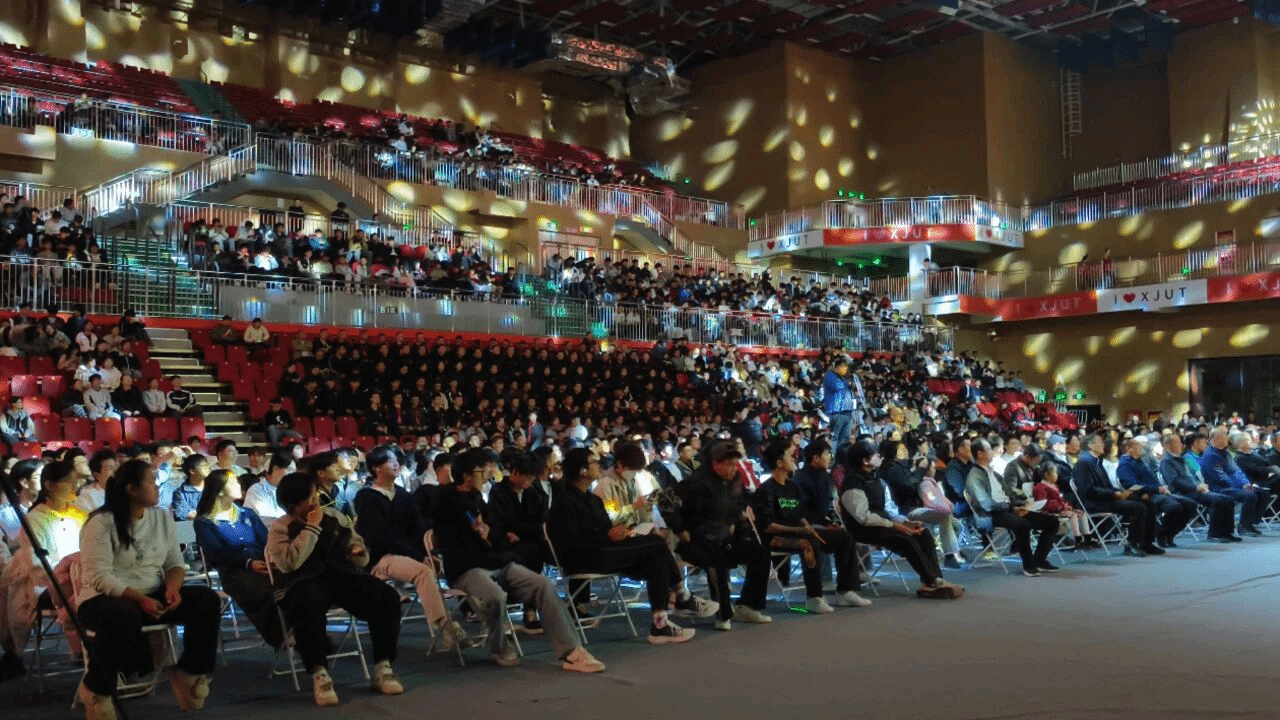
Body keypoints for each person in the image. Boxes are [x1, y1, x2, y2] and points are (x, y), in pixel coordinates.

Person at [432, 447, 606, 672]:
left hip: (495, 562)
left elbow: (493, 532)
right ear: (466, 476)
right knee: (494, 596)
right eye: (483, 470)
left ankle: (572, 651)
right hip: (467, 569)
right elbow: (460, 538)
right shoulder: (446, 501)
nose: (488, 474)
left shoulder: (478, 500)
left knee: (542, 584)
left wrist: (491, 535)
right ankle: (499, 646)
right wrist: (483, 532)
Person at [77, 459, 221, 719]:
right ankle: (97, 689)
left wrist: (172, 589)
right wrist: (140, 599)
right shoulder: (101, 522)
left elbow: (174, 564)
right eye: (151, 481)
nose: (157, 486)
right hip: (103, 599)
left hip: (151, 594)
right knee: (123, 614)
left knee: (206, 599)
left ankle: (189, 671)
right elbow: (100, 577)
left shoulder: (161, 517)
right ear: (131, 489)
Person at [266, 472, 404, 706]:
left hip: (340, 575)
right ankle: (319, 673)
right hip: (301, 580)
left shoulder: (334, 517)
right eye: (310, 497)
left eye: (315, 494)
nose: (316, 500)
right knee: (307, 602)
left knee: (386, 597)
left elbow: (357, 546)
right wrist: (311, 527)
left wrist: (357, 553)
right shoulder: (280, 528)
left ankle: (383, 666)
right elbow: (289, 563)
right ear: (294, 505)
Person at [548, 447, 707, 644]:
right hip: (590, 555)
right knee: (657, 545)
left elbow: (606, 522)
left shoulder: (599, 495)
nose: (598, 465)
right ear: (582, 470)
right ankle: (682, 596)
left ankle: (661, 623)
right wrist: (631, 511)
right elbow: (607, 519)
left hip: (611, 543)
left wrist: (633, 520)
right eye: (593, 462)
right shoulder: (597, 490)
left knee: (656, 559)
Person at [353, 446, 462, 650]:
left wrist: (426, 554)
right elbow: (382, 537)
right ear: (376, 467)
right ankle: (446, 627)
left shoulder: (402, 494)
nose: (396, 463)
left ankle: (467, 620)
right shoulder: (367, 497)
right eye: (389, 460)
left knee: (447, 563)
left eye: (396, 459)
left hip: (408, 555)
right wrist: (418, 557)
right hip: (381, 557)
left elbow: (418, 529)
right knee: (423, 571)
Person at [665, 440, 773, 630]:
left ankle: (747, 606)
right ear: (715, 462)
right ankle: (723, 613)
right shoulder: (696, 482)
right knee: (717, 559)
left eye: (735, 463)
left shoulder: (735, 479)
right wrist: (680, 530)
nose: (734, 468)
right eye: (729, 464)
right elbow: (664, 500)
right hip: (697, 542)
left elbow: (740, 501)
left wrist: (742, 513)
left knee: (761, 552)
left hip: (725, 538)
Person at [752, 438, 867, 613]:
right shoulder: (765, 490)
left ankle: (846, 591)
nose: (794, 459)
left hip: (799, 532)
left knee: (844, 537)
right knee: (809, 542)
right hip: (775, 538)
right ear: (779, 463)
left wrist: (810, 527)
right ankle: (814, 597)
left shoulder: (792, 487)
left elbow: (799, 515)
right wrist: (801, 530)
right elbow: (768, 526)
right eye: (790, 456)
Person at [839, 439, 963, 598]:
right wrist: (894, 525)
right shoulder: (853, 483)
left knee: (923, 534)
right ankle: (932, 581)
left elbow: (889, 508)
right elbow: (863, 517)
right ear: (865, 461)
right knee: (906, 539)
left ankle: (934, 580)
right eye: (875, 454)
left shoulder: (877, 480)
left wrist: (905, 522)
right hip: (864, 529)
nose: (879, 456)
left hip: (883, 525)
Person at [0, 459, 85, 677]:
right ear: (50, 485)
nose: (75, 487)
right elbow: (37, 567)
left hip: (80, 577)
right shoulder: (35, 519)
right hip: (49, 584)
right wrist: (66, 575)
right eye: (69, 482)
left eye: (76, 482)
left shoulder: (80, 514)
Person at [192, 469, 283, 648]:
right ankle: (280, 636)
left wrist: (269, 560)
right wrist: (248, 563)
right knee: (259, 587)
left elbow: (265, 540)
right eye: (233, 483)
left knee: (292, 583)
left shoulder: (247, 514)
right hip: (234, 571)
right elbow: (217, 553)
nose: (239, 485)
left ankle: (297, 629)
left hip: (263, 563)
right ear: (219, 491)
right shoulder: (204, 522)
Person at [966, 438, 1062, 576]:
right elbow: (985, 504)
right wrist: (1011, 508)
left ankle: (1039, 560)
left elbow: (1009, 493)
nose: (993, 452)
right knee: (1023, 524)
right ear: (980, 454)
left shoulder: (993, 472)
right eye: (989, 449)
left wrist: (1022, 505)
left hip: (1007, 508)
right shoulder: (974, 476)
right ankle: (1028, 565)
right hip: (990, 514)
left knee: (1052, 522)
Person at [879, 438, 964, 569]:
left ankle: (950, 551)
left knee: (951, 520)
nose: (905, 452)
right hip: (905, 510)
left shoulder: (899, 467)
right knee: (943, 516)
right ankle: (950, 555)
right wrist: (920, 469)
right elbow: (908, 486)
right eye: (901, 450)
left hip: (913, 507)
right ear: (893, 452)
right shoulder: (893, 469)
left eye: (905, 449)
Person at [1072, 431, 1156, 556]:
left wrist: (1120, 492)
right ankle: (1132, 544)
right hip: (1094, 502)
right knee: (1139, 507)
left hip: (1105, 498)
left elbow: (1106, 486)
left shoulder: (1095, 461)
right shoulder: (1083, 463)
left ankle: (1147, 543)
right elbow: (1087, 489)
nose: (1103, 445)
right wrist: (1114, 494)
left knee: (1148, 503)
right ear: (1090, 445)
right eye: (1100, 442)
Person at [1115, 437, 1193, 548]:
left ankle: (1170, 534)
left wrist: (1161, 488)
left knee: (1190, 504)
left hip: (1155, 492)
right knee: (1174, 506)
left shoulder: (1139, 462)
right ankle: (1162, 534)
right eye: (1138, 446)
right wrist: (1156, 489)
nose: (1142, 448)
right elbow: (1131, 484)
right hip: (1143, 495)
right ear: (1128, 449)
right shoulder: (1125, 464)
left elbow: (1152, 480)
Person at [1161, 434, 1238, 543]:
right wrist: (1196, 487)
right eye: (1177, 443)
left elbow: (1191, 477)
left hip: (1193, 490)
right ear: (1168, 446)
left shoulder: (1180, 459)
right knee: (1217, 501)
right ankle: (1214, 534)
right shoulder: (1167, 462)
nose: (1181, 445)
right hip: (1182, 493)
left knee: (1228, 499)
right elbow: (1175, 482)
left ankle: (1227, 533)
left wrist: (1200, 485)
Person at [1199, 427, 1269, 536]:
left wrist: (1246, 484)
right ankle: (1244, 526)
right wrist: (1240, 487)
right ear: (1216, 438)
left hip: (1232, 486)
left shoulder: (1226, 453)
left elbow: (1236, 471)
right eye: (1224, 436)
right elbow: (1219, 477)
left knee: (1263, 494)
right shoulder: (1210, 455)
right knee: (1249, 496)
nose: (1227, 438)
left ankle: (1251, 522)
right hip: (1219, 488)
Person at [821, 357, 857, 455]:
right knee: (835, 438)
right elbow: (838, 386)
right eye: (843, 366)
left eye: (846, 367)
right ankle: (832, 457)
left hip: (847, 412)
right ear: (837, 366)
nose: (845, 369)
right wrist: (847, 382)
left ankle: (842, 458)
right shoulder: (829, 375)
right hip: (836, 412)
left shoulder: (843, 378)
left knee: (845, 439)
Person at [244, 451, 293, 521]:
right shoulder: (256, 490)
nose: (292, 473)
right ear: (276, 468)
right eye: (289, 469)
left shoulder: (290, 491)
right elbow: (263, 519)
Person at [171, 454, 211, 522]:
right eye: (204, 466)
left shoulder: (213, 488)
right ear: (192, 471)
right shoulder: (181, 493)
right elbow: (181, 514)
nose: (208, 468)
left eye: (207, 465)